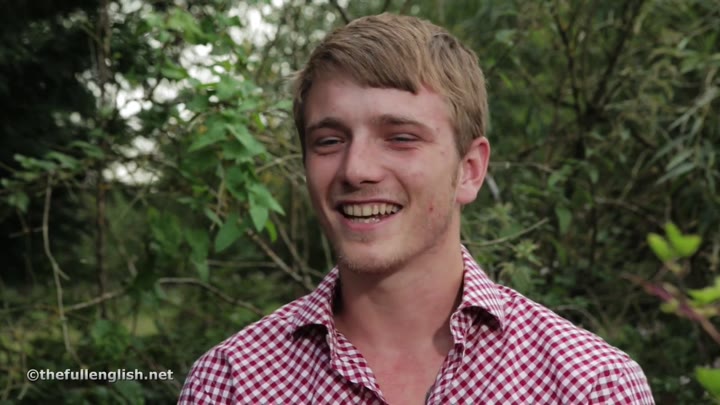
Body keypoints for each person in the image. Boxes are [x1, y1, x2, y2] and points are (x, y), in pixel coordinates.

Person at [178, 13, 654, 405]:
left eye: (401, 138)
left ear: (469, 169)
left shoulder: (590, 386)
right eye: (329, 140)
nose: (356, 169)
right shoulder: (229, 384)